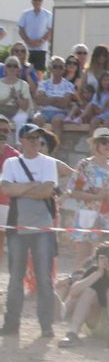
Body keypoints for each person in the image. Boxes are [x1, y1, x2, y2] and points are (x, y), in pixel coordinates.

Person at [1, 123, 70, 337]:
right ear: (21, 140)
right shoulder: (12, 162)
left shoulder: (49, 162)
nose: (35, 142)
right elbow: (5, 189)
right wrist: (34, 185)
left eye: (38, 138)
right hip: (18, 226)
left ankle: (46, 326)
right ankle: (12, 324)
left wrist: (21, 188)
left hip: (43, 227)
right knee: (15, 278)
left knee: (44, 278)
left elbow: (47, 191)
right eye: (30, 138)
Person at [64, 128, 109, 267]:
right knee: (83, 259)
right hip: (88, 215)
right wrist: (97, 196)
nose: (108, 145)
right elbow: (74, 191)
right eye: (104, 141)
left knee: (106, 257)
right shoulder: (84, 165)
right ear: (95, 144)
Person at [59, 241, 109, 347]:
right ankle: (72, 334)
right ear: (98, 261)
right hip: (95, 323)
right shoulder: (94, 271)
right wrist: (98, 273)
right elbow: (73, 293)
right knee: (88, 291)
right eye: (107, 259)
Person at [16, 0, 52, 73]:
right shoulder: (25, 14)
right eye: (35, 0)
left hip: (41, 49)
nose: (37, 2)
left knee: (38, 72)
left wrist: (41, 41)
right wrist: (28, 41)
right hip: (27, 49)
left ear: (42, 1)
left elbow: (50, 31)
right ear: (31, 1)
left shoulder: (48, 15)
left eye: (39, 0)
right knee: (24, 70)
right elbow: (21, 29)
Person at [1, 56, 33, 127]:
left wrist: (15, 96)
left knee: (21, 118)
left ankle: (20, 138)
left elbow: (25, 107)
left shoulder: (24, 84)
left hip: (17, 112)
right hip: (1, 112)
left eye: (15, 66)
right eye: (9, 65)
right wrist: (9, 98)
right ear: (5, 68)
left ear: (18, 69)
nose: (12, 68)